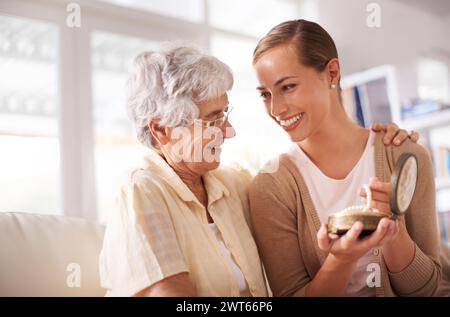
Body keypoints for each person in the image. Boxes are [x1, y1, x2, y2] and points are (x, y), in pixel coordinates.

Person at [99, 42, 417, 297]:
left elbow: (301, 201)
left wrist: (379, 141)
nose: (230, 131)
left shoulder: (233, 183)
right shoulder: (141, 189)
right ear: (162, 130)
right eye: (213, 120)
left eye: (226, 114)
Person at [249, 19, 442, 297]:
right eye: (266, 94)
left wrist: (393, 231)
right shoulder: (270, 187)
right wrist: (341, 259)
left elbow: (427, 289)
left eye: (288, 87)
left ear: (332, 73)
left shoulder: (406, 155)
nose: (276, 109)